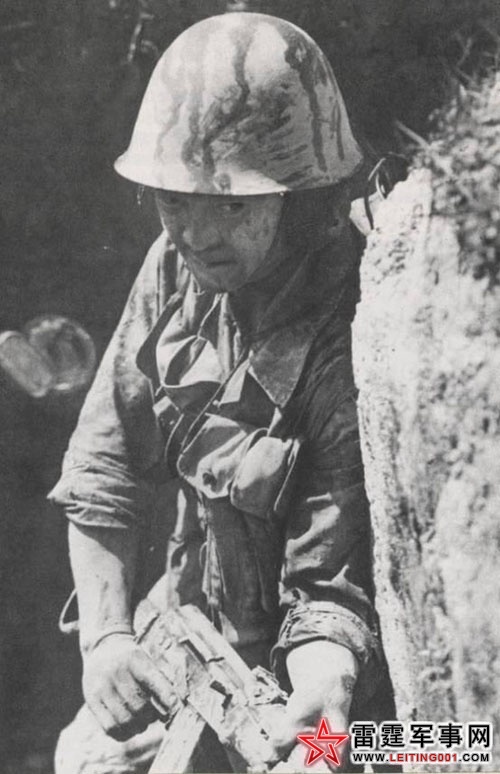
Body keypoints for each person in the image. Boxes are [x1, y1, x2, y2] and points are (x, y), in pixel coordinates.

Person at [50, 11, 394, 773]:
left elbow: (329, 587)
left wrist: (323, 690)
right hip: (190, 639)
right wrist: (106, 640)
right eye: (175, 200)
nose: (196, 234)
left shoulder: (347, 325)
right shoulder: (175, 268)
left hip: (314, 682)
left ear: (299, 195)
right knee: (85, 759)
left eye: (233, 204)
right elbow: (103, 471)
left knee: (352, 759)